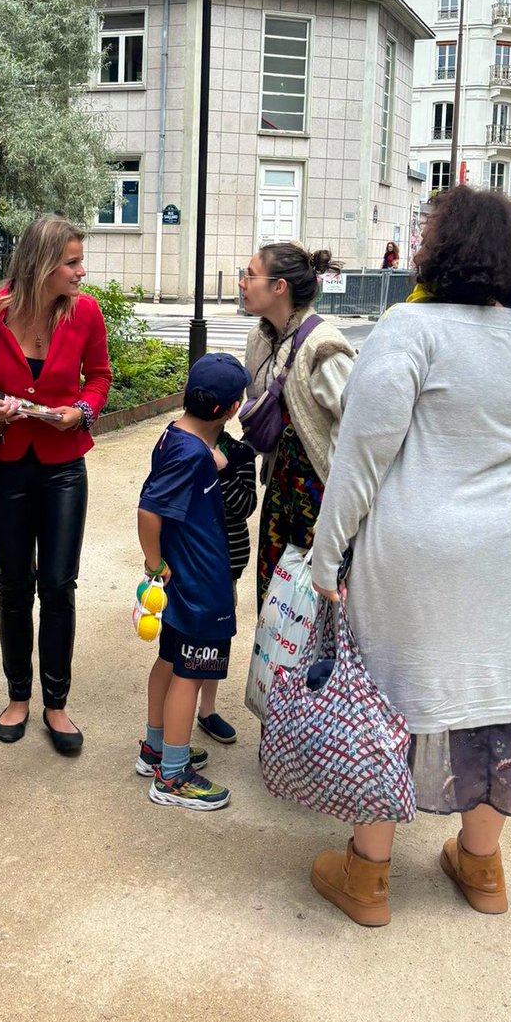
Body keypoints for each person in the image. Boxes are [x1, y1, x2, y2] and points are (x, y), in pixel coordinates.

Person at [309, 184, 511, 927]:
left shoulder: (411, 328)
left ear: (445, 249)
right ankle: (482, 869)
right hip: (510, 544)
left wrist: (327, 552)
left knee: (387, 697)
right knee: (498, 697)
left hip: (418, 540)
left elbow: (360, 456)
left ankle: (368, 880)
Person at [0, 215, 111, 754]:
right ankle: (18, 695)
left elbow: (101, 377)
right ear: (42, 265)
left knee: (59, 584)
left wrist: (80, 411)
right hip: (7, 463)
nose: (81, 272)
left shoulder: (85, 313)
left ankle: (56, 704)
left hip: (63, 463)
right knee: (14, 585)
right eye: (72, 262)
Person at [137, 353, 251, 811]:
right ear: (231, 409)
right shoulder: (191, 454)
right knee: (191, 671)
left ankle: (157, 747)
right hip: (200, 582)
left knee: (170, 659)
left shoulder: (176, 438)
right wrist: (153, 562)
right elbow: (149, 509)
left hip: (185, 576)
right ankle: (174, 775)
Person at [241, 242, 355, 610]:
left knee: (314, 608)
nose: (242, 283)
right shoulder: (259, 337)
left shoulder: (324, 347)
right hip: (279, 493)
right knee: (274, 601)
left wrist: (340, 515)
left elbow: (354, 426)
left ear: (279, 287)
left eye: (251, 275)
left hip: (320, 499)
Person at [195, 430, 257, 746]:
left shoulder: (239, 453)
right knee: (180, 639)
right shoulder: (179, 444)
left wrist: (225, 468)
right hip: (189, 561)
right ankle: (167, 718)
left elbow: (246, 505)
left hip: (226, 564)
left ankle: (207, 709)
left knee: (217, 637)